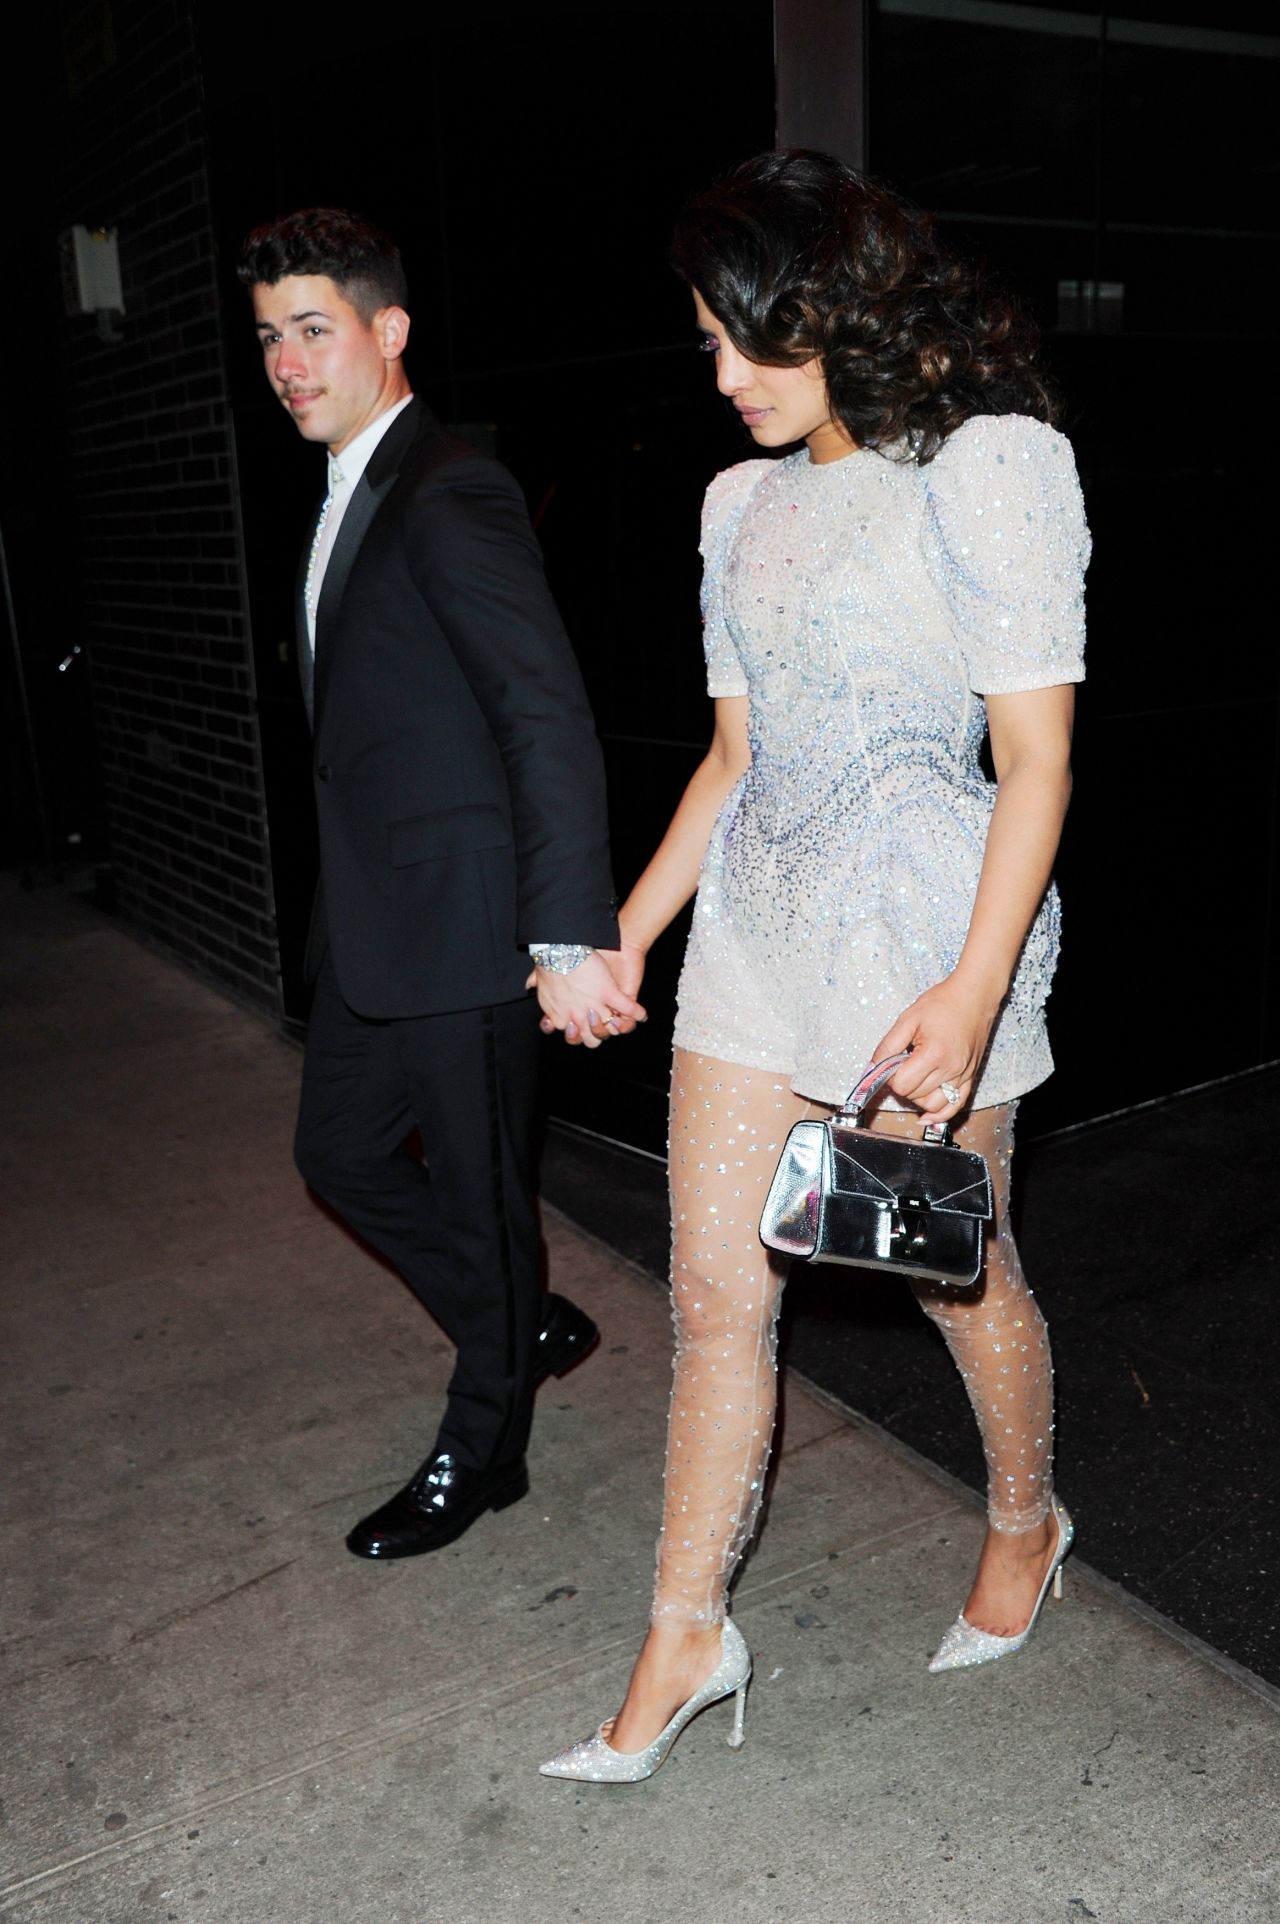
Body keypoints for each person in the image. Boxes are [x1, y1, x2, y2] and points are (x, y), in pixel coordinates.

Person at [541, 150, 1090, 1784]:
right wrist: (627, 930)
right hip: (759, 937)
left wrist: (975, 991)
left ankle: (1025, 1518)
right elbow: (730, 760)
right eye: (706, 342)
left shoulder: (989, 467)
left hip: (929, 939)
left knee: (949, 1269)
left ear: (832, 312)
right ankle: (687, 1630)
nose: (719, 377)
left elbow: (1038, 765)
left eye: (742, 339)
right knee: (718, 1293)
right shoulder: (737, 505)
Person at [237, 209, 642, 1562]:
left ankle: (486, 1446)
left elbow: (543, 713)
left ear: (386, 329)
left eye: (313, 330)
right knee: (337, 1156)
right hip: (374, 925)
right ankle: (519, 1318)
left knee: (478, 1193)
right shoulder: (351, 485)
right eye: (268, 338)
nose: (287, 363)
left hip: (472, 931)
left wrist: (569, 928)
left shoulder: (448, 487)